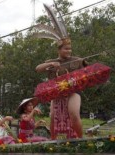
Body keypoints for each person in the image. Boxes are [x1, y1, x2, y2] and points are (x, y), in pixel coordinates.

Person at [34, 4, 86, 139]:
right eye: (65, 49)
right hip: (57, 92)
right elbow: (38, 69)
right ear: (59, 50)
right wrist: (51, 64)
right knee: (52, 116)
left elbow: (89, 70)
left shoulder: (77, 60)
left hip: (73, 91)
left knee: (74, 113)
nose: (68, 51)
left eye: (70, 49)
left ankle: (81, 139)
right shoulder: (51, 61)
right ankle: (53, 141)